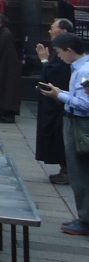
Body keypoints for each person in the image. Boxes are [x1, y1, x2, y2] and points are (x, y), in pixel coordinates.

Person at [38, 33, 89, 236]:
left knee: (81, 172)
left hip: (80, 124)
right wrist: (61, 93)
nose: (58, 56)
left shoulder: (84, 71)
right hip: (76, 122)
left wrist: (59, 95)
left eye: (59, 52)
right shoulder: (80, 68)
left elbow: (85, 104)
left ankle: (86, 220)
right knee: (79, 172)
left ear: (69, 50)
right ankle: (83, 217)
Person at [35, 18, 74, 185]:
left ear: (63, 31)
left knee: (61, 137)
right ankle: (64, 170)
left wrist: (44, 61)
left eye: (53, 28)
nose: (50, 31)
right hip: (59, 101)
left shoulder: (67, 53)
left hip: (62, 102)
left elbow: (55, 75)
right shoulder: (62, 51)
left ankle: (67, 171)